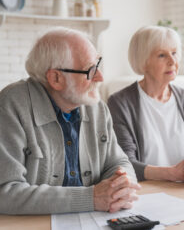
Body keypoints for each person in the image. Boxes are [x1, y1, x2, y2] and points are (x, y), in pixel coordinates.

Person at [0, 27, 140, 215]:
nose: (100, 77)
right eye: (90, 70)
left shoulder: (96, 106)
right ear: (56, 78)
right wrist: (91, 198)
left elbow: (118, 162)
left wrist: (122, 186)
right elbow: (6, 193)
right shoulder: (11, 105)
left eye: (97, 65)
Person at [108, 26, 184, 183]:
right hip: (145, 191)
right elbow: (125, 162)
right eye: (162, 55)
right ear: (143, 62)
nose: (172, 61)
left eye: (174, 53)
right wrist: (170, 173)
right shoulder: (120, 102)